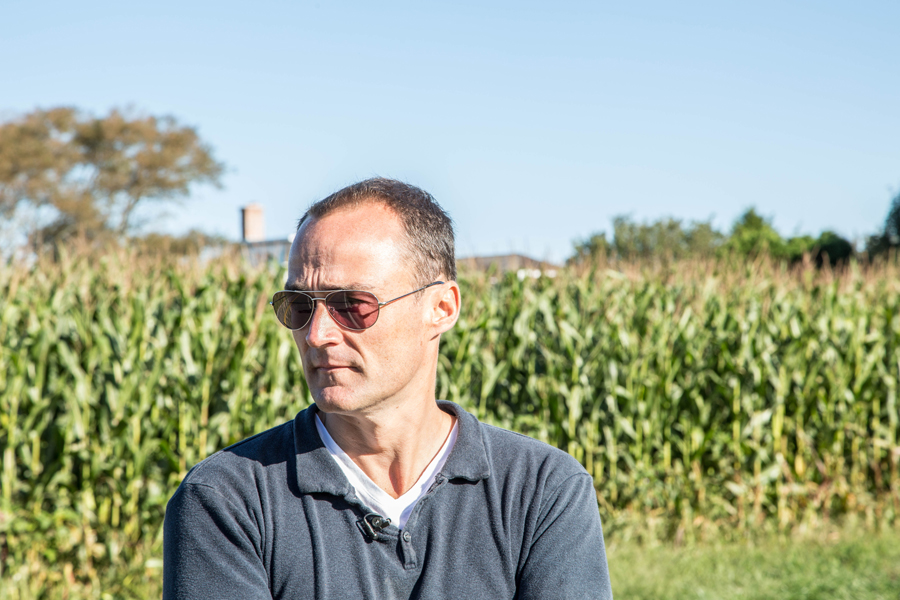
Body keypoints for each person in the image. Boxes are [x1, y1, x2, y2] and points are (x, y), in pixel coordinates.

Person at [163, 178, 613, 599]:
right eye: (298, 305)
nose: (316, 335)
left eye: (351, 305)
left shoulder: (541, 490)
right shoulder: (226, 499)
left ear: (440, 307)